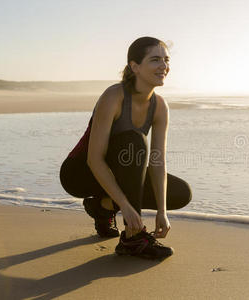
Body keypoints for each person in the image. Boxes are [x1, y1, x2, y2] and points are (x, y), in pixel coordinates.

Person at [59, 37, 192, 260]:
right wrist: (125, 206)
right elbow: (94, 159)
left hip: (122, 171)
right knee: (134, 142)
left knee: (179, 193)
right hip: (80, 172)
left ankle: (102, 208)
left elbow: (157, 162)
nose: (164, 66)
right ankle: (133, 238)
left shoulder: (160, 106)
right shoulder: (114, 96)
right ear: (135, 66)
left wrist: (162, 212)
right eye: (155, 60)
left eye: (166, 60)